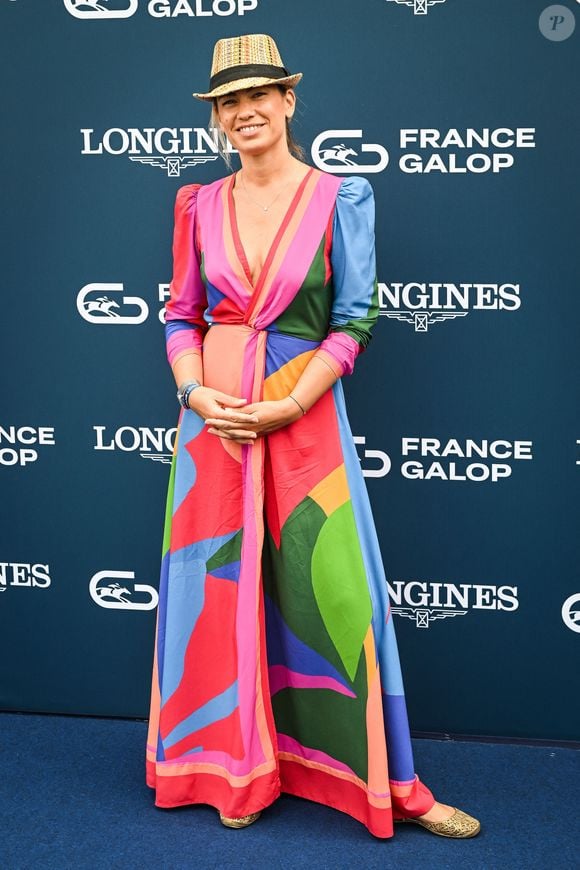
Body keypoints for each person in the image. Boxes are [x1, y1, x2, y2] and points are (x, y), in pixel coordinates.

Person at [146, 33, 480, 840]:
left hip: (303, 419)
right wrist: (195, 391)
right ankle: (231, 768)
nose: (244, 111)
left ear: (289, 100)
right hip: (211, 426)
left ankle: (386, 781)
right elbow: (181, 314)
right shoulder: (197, 203)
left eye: (258, 95)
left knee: (332, 593)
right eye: (228, 101)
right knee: (217, 595)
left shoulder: (341, 198)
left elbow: (353, 322)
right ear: (218, 118)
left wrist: (287, 404)